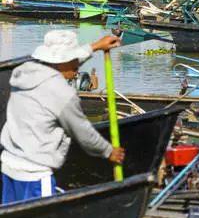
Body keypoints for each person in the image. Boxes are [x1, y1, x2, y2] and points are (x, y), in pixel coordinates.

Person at [1, 31, 125, 204]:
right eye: (73, 60)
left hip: (8, 166)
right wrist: (109, 151)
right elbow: (83, 133)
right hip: (35, 175)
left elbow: (65, 65)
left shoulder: (24, 72)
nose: (78, 66)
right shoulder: (62, 93)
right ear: (62, 62)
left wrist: (95, 46)